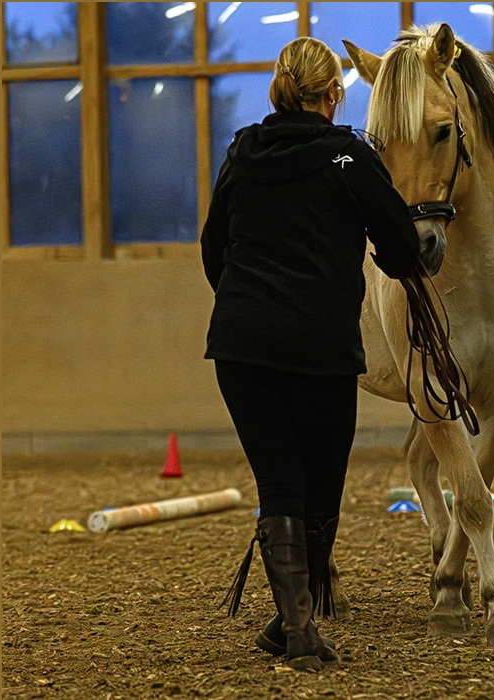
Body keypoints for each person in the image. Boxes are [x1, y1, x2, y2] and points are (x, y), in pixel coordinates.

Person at [200, 37, 422, 672]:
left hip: (242, 345)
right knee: (319, 491)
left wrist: (251, 306)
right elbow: (401, 249)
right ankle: (299, 633)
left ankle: (290, 622)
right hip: (321, 348)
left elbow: (216, 249)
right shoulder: (349, 157)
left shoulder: (243, 152)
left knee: (279, 484)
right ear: (333, 95)